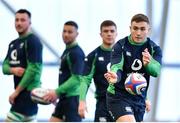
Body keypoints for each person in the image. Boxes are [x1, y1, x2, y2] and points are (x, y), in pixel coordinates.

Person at [104, 13, 162, 122]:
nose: (138, 33)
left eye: (142, 29)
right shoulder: (120, 45)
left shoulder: (155, 49)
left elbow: (156, 72)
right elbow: (117, 65)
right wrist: (115, 76)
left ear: (148, 30)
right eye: (135, 28)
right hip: (118, 95)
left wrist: (148, 64)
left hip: (139, 98)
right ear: (130, 28)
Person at [2, 9, 43, 122]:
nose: (19, 23)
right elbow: (4, 68)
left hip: (29, 93)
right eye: (17, 20)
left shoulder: (33, 41)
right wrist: (13, 70)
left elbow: (33, 70)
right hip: (20, 94)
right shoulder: (13, 44)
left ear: (29, 23)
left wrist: (16, 92)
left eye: (23, 20)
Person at [43, 21, 85, 122]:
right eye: (64, 31)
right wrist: (57, 93)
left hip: (73, 100)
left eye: (70, 32)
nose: (66, 34)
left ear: (77, 34)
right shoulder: (67, 51)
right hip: (64, 99)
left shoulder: (77, 53)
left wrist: (56, 92)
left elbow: (77, 78)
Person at [78, 20, 117, 122]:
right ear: (101, 34)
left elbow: (134, 78)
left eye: (112, 31)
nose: (109, 34)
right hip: (103, 104)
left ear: (116, 34)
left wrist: (145, 98)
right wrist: (82, 101)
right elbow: (85, 80)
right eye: (106, 31)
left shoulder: (124, 54)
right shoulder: (93, 56)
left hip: (122, 102)